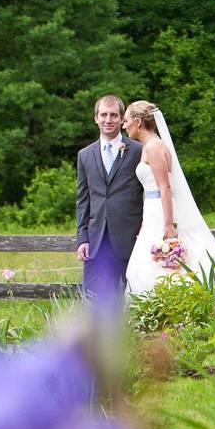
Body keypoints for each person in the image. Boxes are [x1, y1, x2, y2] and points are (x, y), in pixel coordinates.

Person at [121, 100, 215, 296]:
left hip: (160, 213)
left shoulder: (154, 147)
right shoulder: (148, 145)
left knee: (147, 266)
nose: (124, 126)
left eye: (126, 121)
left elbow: (165, 188)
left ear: (138, 122)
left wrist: (168, 225)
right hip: (151, 213)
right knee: (143, 267)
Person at [75, 95, 143, 297]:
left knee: (135, 298)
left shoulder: (138, 151)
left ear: (122, 119)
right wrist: (82, 238)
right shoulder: (85, 155)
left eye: (114, 115)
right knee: (94, 299)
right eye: (103, 115)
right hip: (96, 241)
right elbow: (83, 199)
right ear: (96, 118)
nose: (108, 120)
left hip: (130, 237)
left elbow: (146, 193)